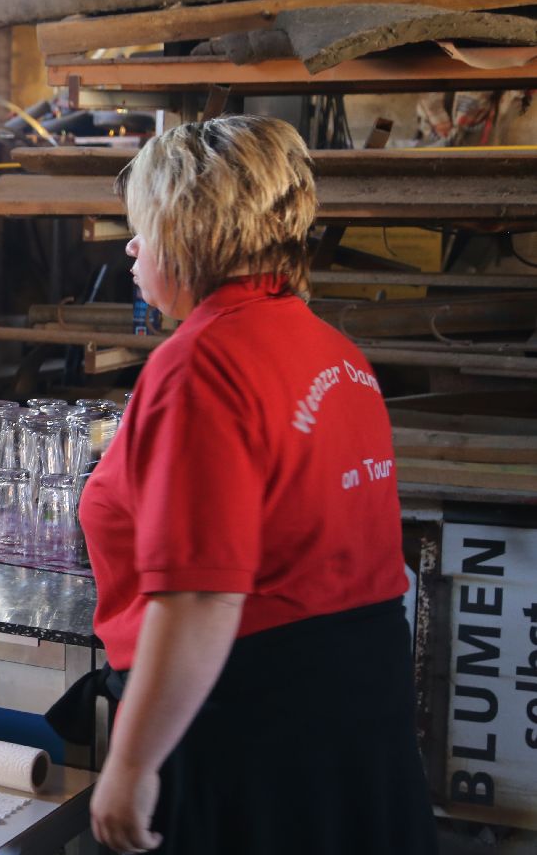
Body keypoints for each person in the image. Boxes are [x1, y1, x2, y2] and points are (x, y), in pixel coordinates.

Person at [74, 115, 437, 854]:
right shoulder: (334, 351)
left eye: (140, 225)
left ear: (186, 231)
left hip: (251, 714)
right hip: (361, 693)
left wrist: (134, 763)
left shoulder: (201, 362)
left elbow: (206, 594)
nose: (131, 246)